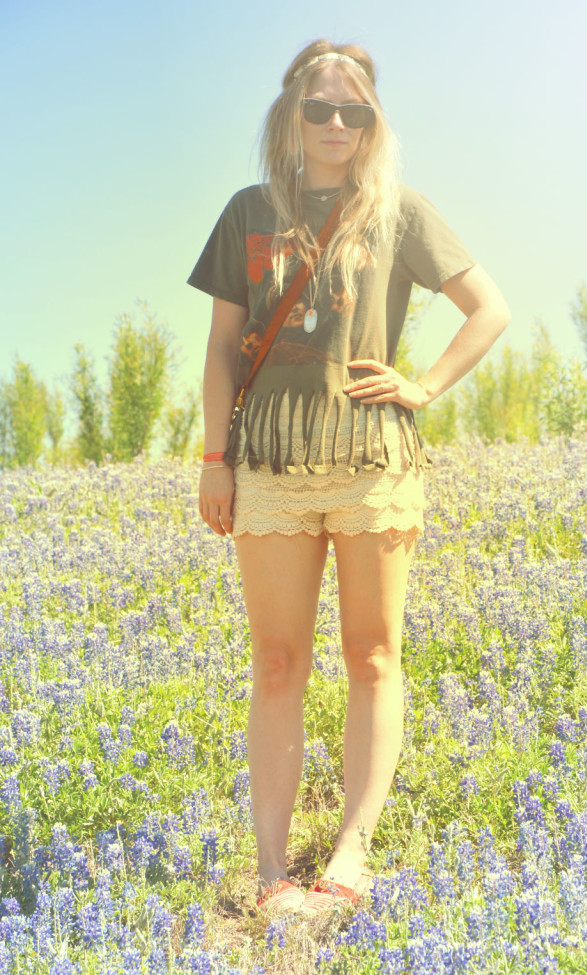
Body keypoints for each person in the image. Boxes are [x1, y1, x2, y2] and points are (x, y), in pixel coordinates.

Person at [189, 40, 510, 915]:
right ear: (290, 113)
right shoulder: (247, 211)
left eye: (354, 111)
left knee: (372, 655)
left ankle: (352, 854)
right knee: (277, 660)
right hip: (271, 461)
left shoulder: (400, 212)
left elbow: (491, 309)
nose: (336, 124)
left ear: (374, 124)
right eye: (320, 108)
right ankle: (267, 873)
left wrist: (425, 385)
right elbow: (220, 350)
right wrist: (214, 460)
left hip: (373, 458)